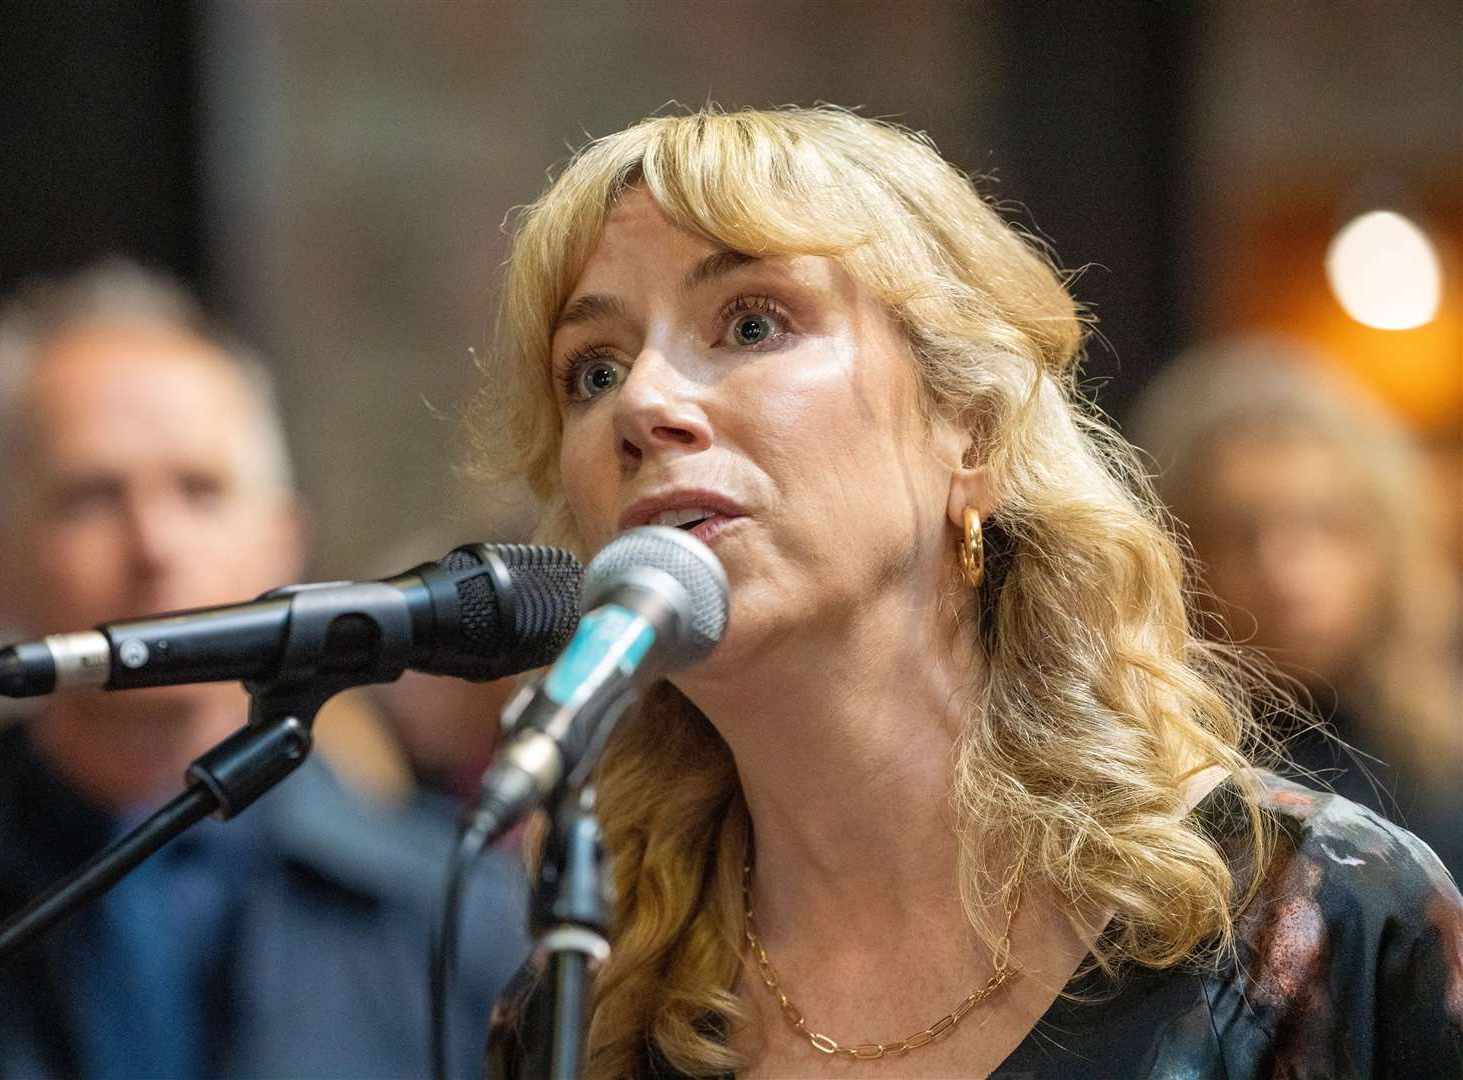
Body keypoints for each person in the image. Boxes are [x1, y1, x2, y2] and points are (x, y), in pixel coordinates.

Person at [469, 107, 1463, 1078]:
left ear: (973, 431)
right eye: (592, 372)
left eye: (752, 321)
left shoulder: (1316, 926)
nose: (642, 404)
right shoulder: (582, 1021)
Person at [0, 260, 527, 1079]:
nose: (155, 547)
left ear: (284, 540)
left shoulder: (470, 920)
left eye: (201, 491)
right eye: (89, 496)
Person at [1131, 336, 1463, 877]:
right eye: (1240, 534)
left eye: (1325, 524)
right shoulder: (1150, 783)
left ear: (1388, 542)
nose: (1287, 573)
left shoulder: (1443, 757)